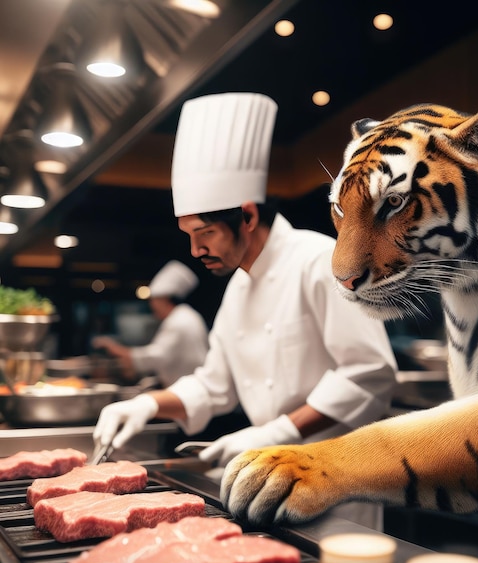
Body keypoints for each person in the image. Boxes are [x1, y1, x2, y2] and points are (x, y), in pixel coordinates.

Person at [93, 92, 398, 529]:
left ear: (248, 216)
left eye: (206, 232)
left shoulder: (317, 260)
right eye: (188, 234)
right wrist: (144, 405)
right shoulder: (238, 286)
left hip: (333, 485)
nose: (196, 249)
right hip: (265, 479)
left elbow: (368, 373)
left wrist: (276, 433)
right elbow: (214, 386)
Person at [92, 260, 209, 388]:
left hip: (189, 389)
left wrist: (117, 349)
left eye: (153, 300)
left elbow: (156, 356)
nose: (151, 305)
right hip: (187, 387)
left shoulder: (180, 321)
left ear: (164, 298)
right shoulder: (184, 316)